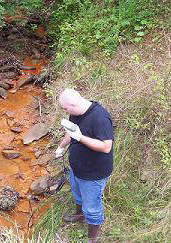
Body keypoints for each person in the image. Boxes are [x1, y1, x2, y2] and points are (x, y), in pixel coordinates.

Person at [55, 88, 114, 243]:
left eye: (65, 108)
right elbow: (70, 131)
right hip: (77, 167)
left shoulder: (100, 118)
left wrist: (80, 138)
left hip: (93, 173)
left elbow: (106, 147)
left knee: (92, 208)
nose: (64, 110)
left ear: (73, 104)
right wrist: (61, 147)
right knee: (77, 193)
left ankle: (92, 239)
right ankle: (80, 215)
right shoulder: (75, 113)